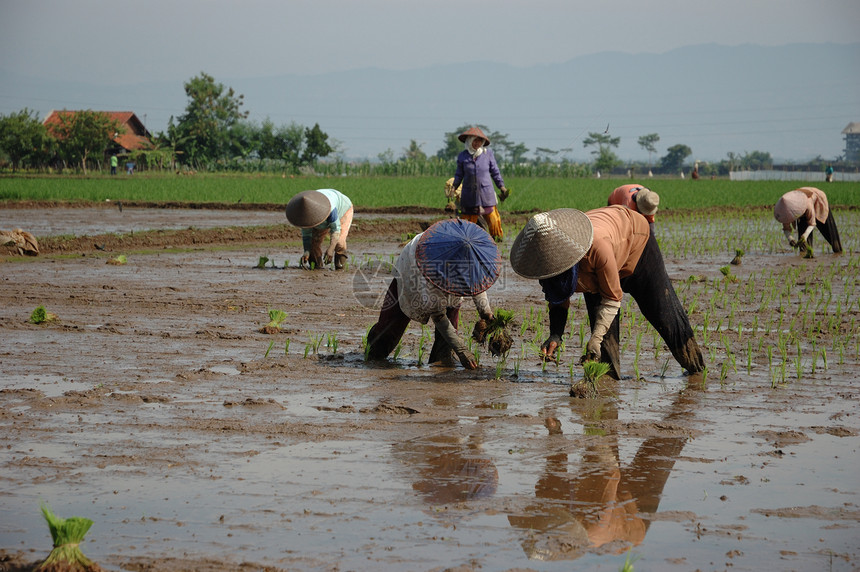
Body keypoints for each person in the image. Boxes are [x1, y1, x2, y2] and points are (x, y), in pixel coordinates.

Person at [509, 206, 704, 380]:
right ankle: (606, 383)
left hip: (636, 245)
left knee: (663, 313)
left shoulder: (596, 249)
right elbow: (558, 294)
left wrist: (595, 338)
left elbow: (612, 299)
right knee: (602, 342)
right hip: (594, 265)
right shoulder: (553, 260)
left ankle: (695, 368)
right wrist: (555, 334)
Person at [365, 218, 502, 370]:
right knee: (392, 323)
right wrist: (462, 351)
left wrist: (486, 312)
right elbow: (438, 315)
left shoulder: (472, 254)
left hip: (444, 261)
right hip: (412, 268)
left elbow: (476, 283)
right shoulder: (429, 267)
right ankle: (374, 352)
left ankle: (442, 360)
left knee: (451, 322)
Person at [451, 127, 510, 241]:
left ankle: (497, 242)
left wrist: (501, 187)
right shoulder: (463, 156)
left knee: (494, 221)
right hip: (469, 195)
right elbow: (459, 174)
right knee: (467, 224)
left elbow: (495, 172)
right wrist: (454, 187)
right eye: (475, 140)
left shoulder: (488, 154)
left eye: (479, 141)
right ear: (469, 140)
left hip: (486, 195)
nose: (477, 143)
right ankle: (466, 242)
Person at [285, 189, 354, 269]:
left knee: (339, 242)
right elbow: (307, 235)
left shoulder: (331, 209)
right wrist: (306, 252)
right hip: (323, 215)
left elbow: (336, 230)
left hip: (343, 209)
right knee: (313, 243)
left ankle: (340, 267)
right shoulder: (304, 216)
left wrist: (331, 249)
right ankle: (316, 267)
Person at [774, 187, 842, 256]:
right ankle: (805, 255)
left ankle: (838, 252)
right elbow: (786, 228)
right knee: (803, 244)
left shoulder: (808, 204)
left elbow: (812, 223)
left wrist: (805, 235)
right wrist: (790, 239)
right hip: (801, 206)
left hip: (818, 201)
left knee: (830, 234)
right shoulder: (785, 210)